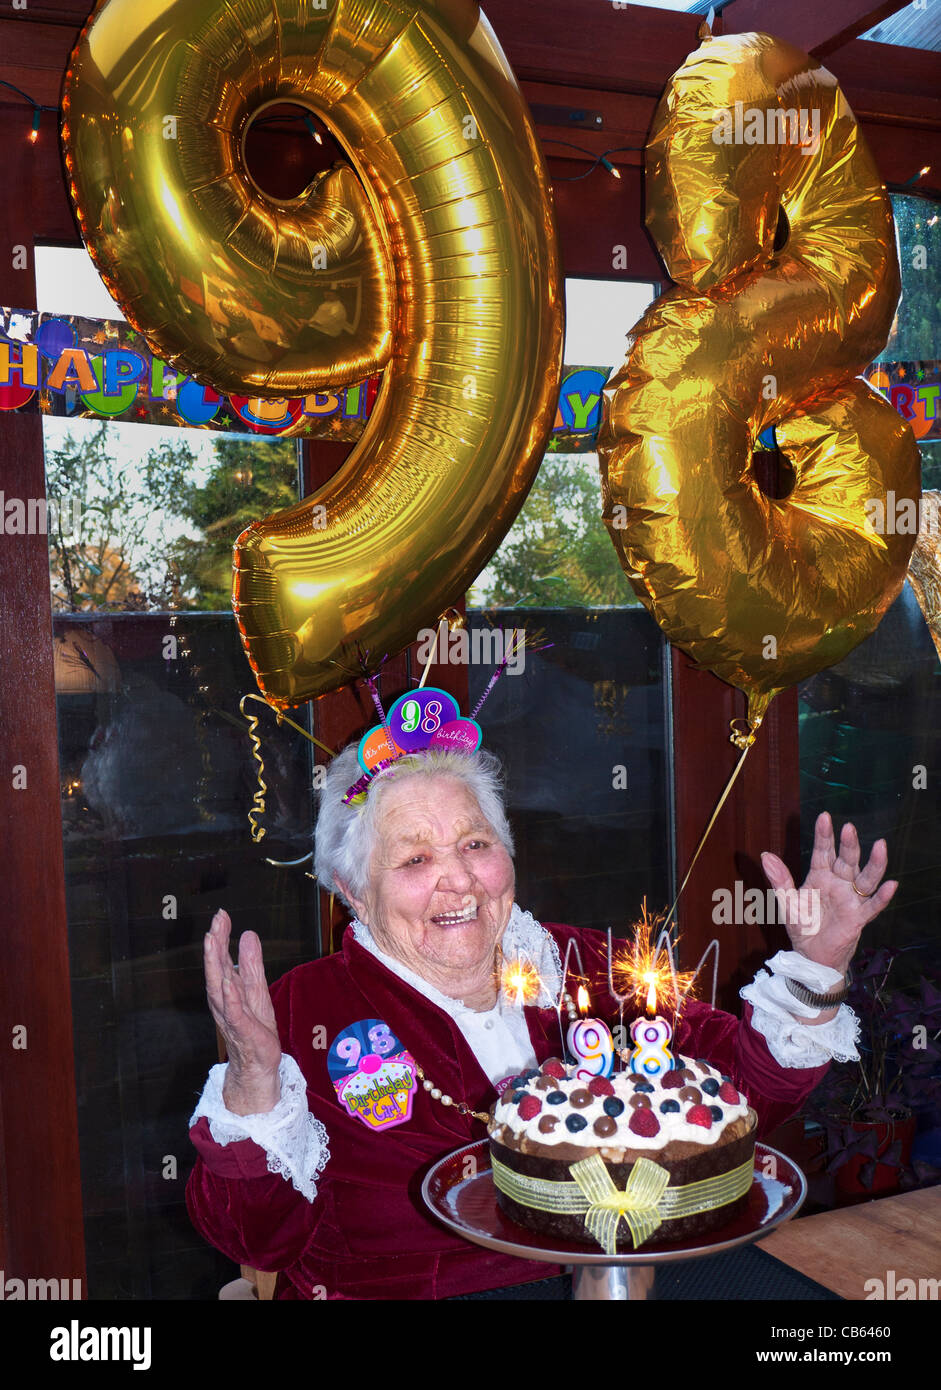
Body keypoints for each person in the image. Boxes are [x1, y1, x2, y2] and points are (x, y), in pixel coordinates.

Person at [186, 742, 897, 1300]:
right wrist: (253, 1084)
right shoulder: (305, 1012)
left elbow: (743, 1095)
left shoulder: (589, 967)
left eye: (475, 844)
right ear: (353, 892)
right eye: (413, 857)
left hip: (636, 1280)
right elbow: (257, 1240)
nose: (458, 879)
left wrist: (816, 968)